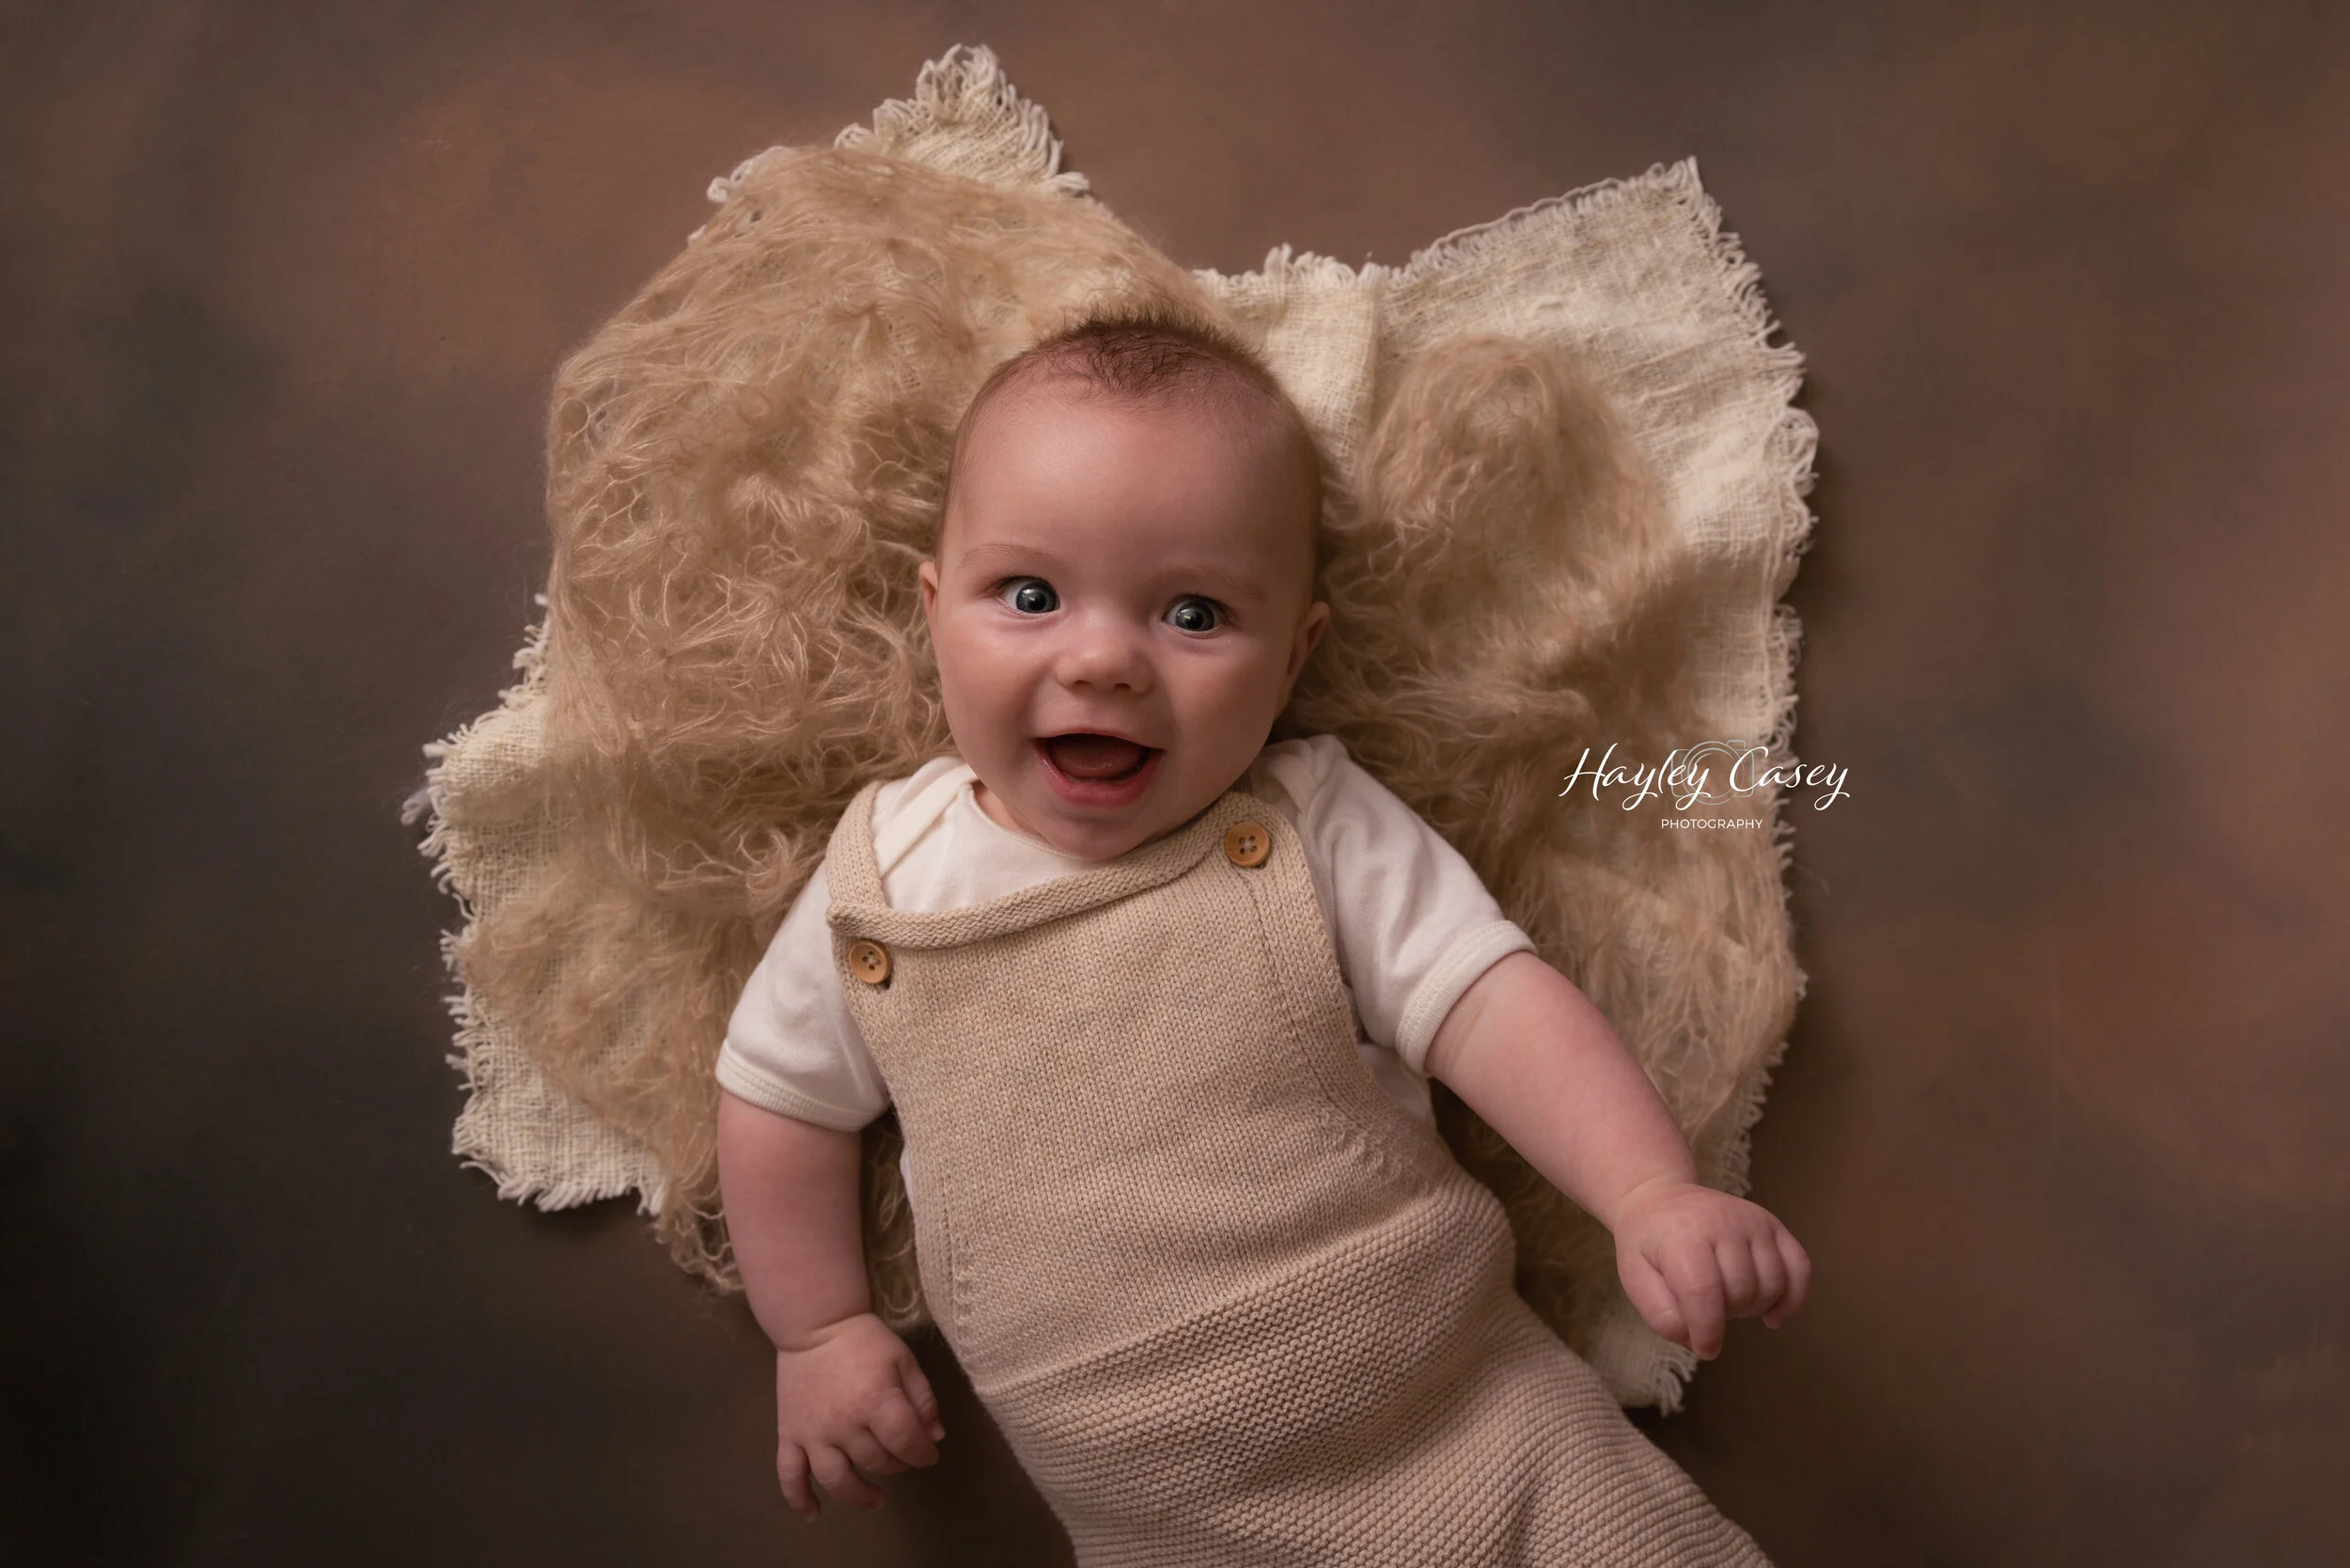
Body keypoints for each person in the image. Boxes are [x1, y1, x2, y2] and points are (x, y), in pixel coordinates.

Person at [713, 315, 1810, 1564]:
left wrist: (1646, 1188)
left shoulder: (1306, 827)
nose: (1103, 660)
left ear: (1296, 657)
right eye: (1029, 596)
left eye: (1192, 613)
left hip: (1471, 1420)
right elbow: (777, 1101)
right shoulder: (885, 883)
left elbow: (1492, 1004)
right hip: (1166, 1522)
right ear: (934, 611)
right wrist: (817, 1330)